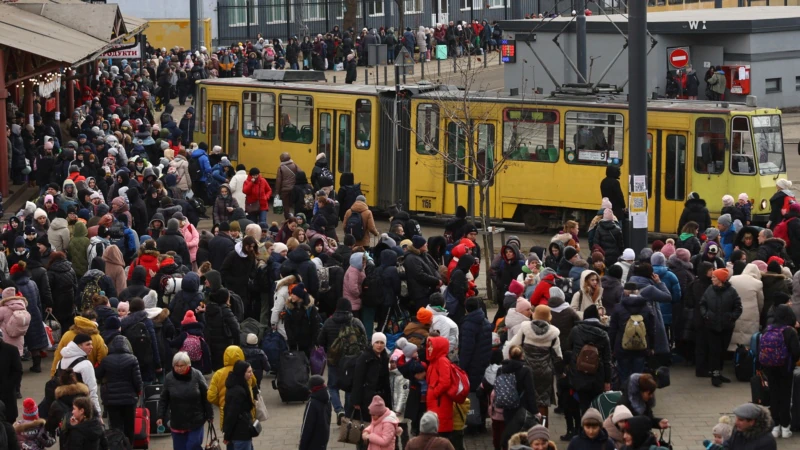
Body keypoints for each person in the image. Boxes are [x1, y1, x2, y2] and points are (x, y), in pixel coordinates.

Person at [317, 298, 367, 422]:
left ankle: (339, 410)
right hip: (352, 361)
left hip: (334, 361)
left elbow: (320, 341)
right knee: (350, 387)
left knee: (333, 387)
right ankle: (348, 415)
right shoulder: (356, 322)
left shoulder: (329, 322)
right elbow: (365, 340)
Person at [158, 352, 214, 450]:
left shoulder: (197, 375)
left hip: (196, 420)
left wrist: (210, 415)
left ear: (188, 365)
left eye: (182, 366)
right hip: (177, 421)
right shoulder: (169, 378)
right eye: (176, 366)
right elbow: (164, 399)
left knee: (192, 446)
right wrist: (160, 416)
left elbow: (206, 396)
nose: (179, 368)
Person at [760, 305, 800, 439]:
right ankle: (785, 427)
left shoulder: (767, 329)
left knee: (774, 395)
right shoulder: (790, 331)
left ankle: (775, 427)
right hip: (786, 368)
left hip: (770, 368)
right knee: (786, 397)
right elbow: (796, 352)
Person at [95, 334, 143, 444]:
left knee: (116, 426)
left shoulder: (106, 360)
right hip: (129, 398)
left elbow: (98, 375)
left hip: (111, 398)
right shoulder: (132, 359)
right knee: (129, 425)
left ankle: (117, 445)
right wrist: (138, 391)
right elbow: (137, 380)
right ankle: (129, 445)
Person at [699, 268, 743, 387]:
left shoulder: (732, 292)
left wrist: (732, 317)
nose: (712, 279)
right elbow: (702, 303)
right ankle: (715, 374)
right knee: (714, 351)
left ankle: (719, 373)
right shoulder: (709, 290)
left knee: (722, 350)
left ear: (721, 279)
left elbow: (738, 307)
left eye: (714, 277)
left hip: (726, 326)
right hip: (711, 325)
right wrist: (705, 315)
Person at [608, 283, 656, 388]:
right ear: (637, 292)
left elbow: (613, 330)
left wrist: (611, 348)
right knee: (638, 375)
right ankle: (637, 396)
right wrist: (651, 346)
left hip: (622, 346)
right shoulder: (646, 307)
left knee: (624, 374)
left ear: (625, 292)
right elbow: (651, 329)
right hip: (641, 347)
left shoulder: (618, 308)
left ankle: (625, 397)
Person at [352, 331, 392, 422]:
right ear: (372, 343)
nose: (379, 345)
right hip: (367, 397)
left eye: (382, 343)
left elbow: (386, 380)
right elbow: (358, 380)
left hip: (382, 396)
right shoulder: (364, 358)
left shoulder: (384, 357)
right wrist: (356, 400)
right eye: (377, 342)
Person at [705, 403, 777, 450]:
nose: (736, 422)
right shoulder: (738, 430)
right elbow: (729, 445)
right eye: (736, 418)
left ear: (752, 422)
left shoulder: (766, 442)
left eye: (741, 420)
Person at [458, 297, 492, 391]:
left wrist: (461, 367)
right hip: (483, 361)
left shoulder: (468, 325)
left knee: (472, 390)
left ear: (466, 309)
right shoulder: (485, 321)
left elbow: (466, 349)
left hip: (472, 365)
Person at [222, 361, 256, 450]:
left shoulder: (238, 385)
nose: (251, 374)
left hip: (240, 432)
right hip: (240, 434)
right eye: (249, 372)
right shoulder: (238, 392)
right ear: (241, 373)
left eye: (251, 371)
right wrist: (227, 435)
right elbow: (231, 414)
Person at [404, 236, 442, 312]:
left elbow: (433, 268)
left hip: (428, 291)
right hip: (420, 294)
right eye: (425, 244)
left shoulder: (423, 255)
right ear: (419, 246)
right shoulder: (412, 258)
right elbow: (420, 275)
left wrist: (438, 279)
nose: (427, 245)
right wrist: (436, 281)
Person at [299, 375, 331, 450]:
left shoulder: (312, 403)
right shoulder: (327, 400)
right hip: (323, 439)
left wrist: (302, 446)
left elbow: (306, 426)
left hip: (312, 442)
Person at [275, 153, 299, 219]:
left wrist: (277, 192)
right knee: (295, 204)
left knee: (286, 205)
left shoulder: (280, 168)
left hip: (285, 190)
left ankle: (287, 219)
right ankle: (296, 218)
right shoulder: (295, 165)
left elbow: (278, 181)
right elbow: (300, 174)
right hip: (294, 188)